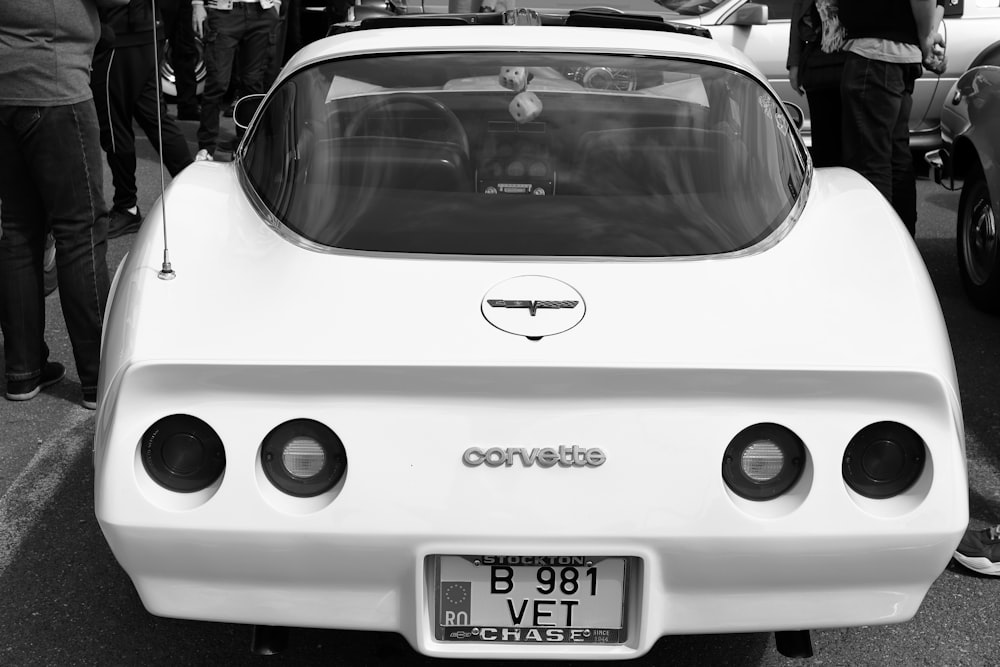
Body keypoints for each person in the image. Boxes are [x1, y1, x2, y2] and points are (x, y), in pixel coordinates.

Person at [0, 0, 125, 409]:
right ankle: (97, 378)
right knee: (80, 231)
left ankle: (23, 372)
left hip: (6, 85)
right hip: (54, 83)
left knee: (18, 231)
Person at [838, 0, 947, 237]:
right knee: (896, 160)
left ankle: (879, 249)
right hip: (893, 56)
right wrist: (925, 39)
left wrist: (926, 40)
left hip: (876, 56)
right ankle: (901, 248)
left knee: (871, 164)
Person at [91, 0, 195, 239]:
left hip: (121, 34)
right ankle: (194, 193)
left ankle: (127, 206)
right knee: (155, 119)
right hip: (147, 30)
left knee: (115, 124)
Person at [191, 0, 281, 161]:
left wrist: (277, 4)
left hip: (262, 11)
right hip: (224, 12)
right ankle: (206, 146)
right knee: (218, 82)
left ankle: (245, 146)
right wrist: (197, 4)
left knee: (252, 84)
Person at [788, 0, 848, 168]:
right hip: (818, 64)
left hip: (853, 59)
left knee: (851, 143)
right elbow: (798, 15)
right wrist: (794, 63)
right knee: (824, 142)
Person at [161, 0, 201, 121]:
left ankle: (188, 106)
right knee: (155, 52)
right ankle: (155, 109)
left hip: (183, 3)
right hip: (159, 5)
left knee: (186, 51)